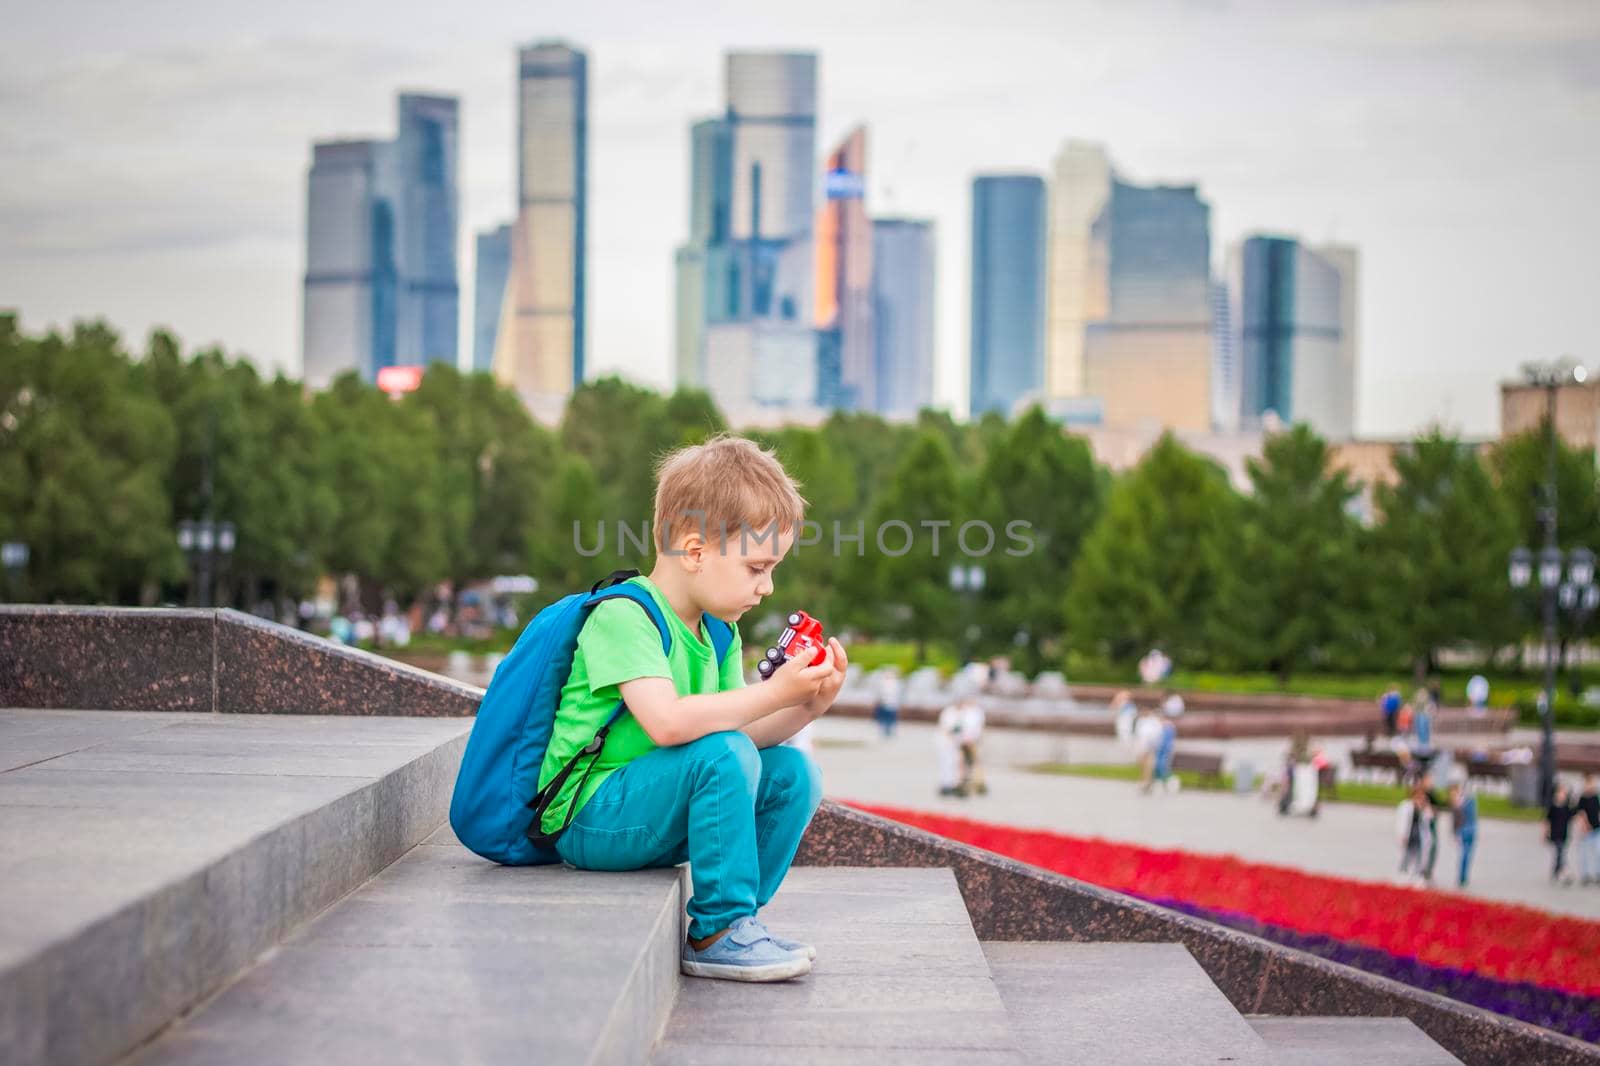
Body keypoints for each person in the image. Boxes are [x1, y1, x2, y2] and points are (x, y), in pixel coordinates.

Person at [534, 435, 846, 983]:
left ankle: (741, 919)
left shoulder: (717, 633)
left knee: (795, 773)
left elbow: (743, 731)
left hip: (652, 809)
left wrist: (806, 706)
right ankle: (716, 930)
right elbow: (668, 722)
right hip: (591, 817)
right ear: (696, 551)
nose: (768, 587)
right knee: (720, 753)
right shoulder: (626, 616)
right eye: (757, 568)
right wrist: (774, 691)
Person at [1396, 783, 1433, 885]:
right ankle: (1404, 874)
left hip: (1420, 835)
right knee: (1406, 855)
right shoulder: (1405, 806)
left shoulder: (1424, 808)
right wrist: (1402, 835)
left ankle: (1418, 876)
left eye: (1422, 796)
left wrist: (1425, 807)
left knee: (1419, 856)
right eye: (1418, 796)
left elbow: (1430, 819)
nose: (1420, 798)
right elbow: (1401, 822)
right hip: (1409, 834)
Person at [1449, 781, 1479, 889]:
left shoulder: (1464, 801)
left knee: (1466, 854)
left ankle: (1463, 877)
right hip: (1466, 830)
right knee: (1465, 854)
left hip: (1469, 829)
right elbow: (1455, 821)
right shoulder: (1461, 802)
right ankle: (1462, 877)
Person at [1548, 783, 1579, 885]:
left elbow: (1574, 814)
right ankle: (1563, 872)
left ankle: (1556, 872)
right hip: (1555, 835)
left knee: (1560, 854)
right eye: (1560, 793)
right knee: (1560, 853)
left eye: (1564, 793)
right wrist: (1545, 833)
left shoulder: (1566, 808)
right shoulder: (1553, 807)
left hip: (1564, 835)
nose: (1562, 795)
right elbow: (1547, 820)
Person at [959, 693, 988, 796]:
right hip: (964, 739)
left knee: (975, 761)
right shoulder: (965, 711)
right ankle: (964, 781)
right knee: (964, 761)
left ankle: (979, 782)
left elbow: (979, 727)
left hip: (973, 739)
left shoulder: (977, 712)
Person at [935, 699, 965, 797]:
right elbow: (948, 729)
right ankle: (946, 785)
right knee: (946, 763)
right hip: (945, 742)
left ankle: (952, 784)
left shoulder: (960, 712)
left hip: (953, 743)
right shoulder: (949, 712)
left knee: (954, 763)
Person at [1134, 704, 1165, 794]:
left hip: (1150, 745)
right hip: (1142, 744)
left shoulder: (1154, 721)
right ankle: (1146, 780)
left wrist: (1154, 744)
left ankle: (1147, 782)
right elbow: (1139, 733)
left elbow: (1157, 733)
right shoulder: (1141, 721)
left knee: (1149, 763)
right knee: (1142, 763)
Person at [1578, 773, 1600, 885]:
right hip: (1586, 830)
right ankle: (1585, 874)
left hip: (1597, 829)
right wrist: (1584, 825)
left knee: (1598, 852)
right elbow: (1581, 813)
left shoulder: (1596, 797)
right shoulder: (1583, 798)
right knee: (1584, 853)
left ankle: (1598, 873)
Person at [871, 668, 903, 739]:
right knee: (884, 718)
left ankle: (889, 731)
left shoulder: (896, 684)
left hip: (892, 704)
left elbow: (898, 695)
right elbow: (879, 693)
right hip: (885, 703)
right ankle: (884, 731)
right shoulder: (883, 683)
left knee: (891, 718)